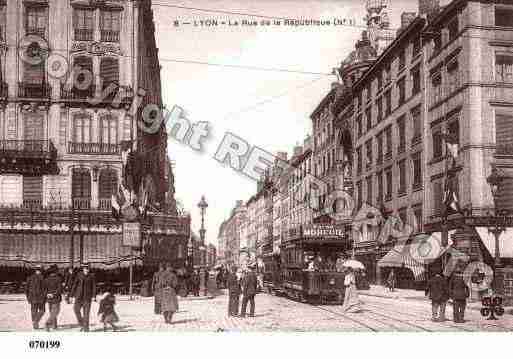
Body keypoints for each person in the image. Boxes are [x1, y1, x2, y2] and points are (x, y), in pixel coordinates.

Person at [71, 263, 97, 332]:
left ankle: (86, 329)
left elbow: (94, 286)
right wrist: (71, 295)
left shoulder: (92, 276)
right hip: (78, 297)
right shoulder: (79, 275)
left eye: (87, 268)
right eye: (85, 268)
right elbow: (75, 285)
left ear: (89, 269)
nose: (86, 270)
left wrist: (94, 296)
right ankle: (82, 323)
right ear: (83, 269)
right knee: (76, 310)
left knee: (86, 314)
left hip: (87, 298)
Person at [26, 265, 46, 330]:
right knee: (42, 310)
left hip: (32, 297)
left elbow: (26, 289)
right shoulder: (42, 278)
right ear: (40, 270)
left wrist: (28, 298)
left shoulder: (29, 278)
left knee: (33, 310)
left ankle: (34, 323)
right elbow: (45, 289)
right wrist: (45, 297)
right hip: (41, 297)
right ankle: (36, 321)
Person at [43, 264, 63, 331]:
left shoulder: (46, 279)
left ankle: (54, 325)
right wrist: (53, 294)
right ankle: (48, 323)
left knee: (52, 311)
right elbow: (59, 289)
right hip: (56, 298)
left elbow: (44, 289)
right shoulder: (58, 279)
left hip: (49, 298)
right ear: (55, 271)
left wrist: (47, 294)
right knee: (55, 311)